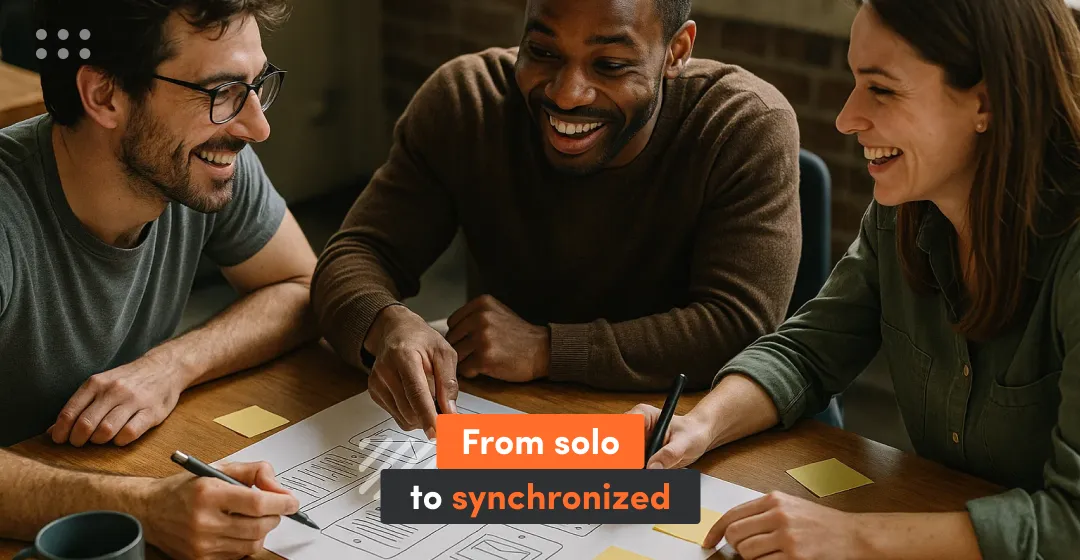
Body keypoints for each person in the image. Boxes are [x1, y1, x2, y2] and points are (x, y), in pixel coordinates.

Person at [631, 0, 1080, 558]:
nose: (846, 118)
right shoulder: (907, 206)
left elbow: (1072, 523)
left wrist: (851, 536)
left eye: (882, 89)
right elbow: (809, 352)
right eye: (853, 82)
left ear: (985, 101)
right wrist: (702, 425)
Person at [312, 0, 802, 438]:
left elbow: (740, 325)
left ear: (676, 51)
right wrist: (388, 323)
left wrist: (547, 349)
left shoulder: (743, 124)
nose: (567, 95)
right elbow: (355, 255)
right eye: (543, 52)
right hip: (502, 415)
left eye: (610, 65)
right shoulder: (467, 101)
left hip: (675, 429)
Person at [0, 0, 316, 557]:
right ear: (104, 95)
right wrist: (142, 509)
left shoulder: (204, 159)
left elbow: (299, 286)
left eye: (255, 85)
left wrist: (172, 364)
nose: (256, 126)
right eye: (219, 92)